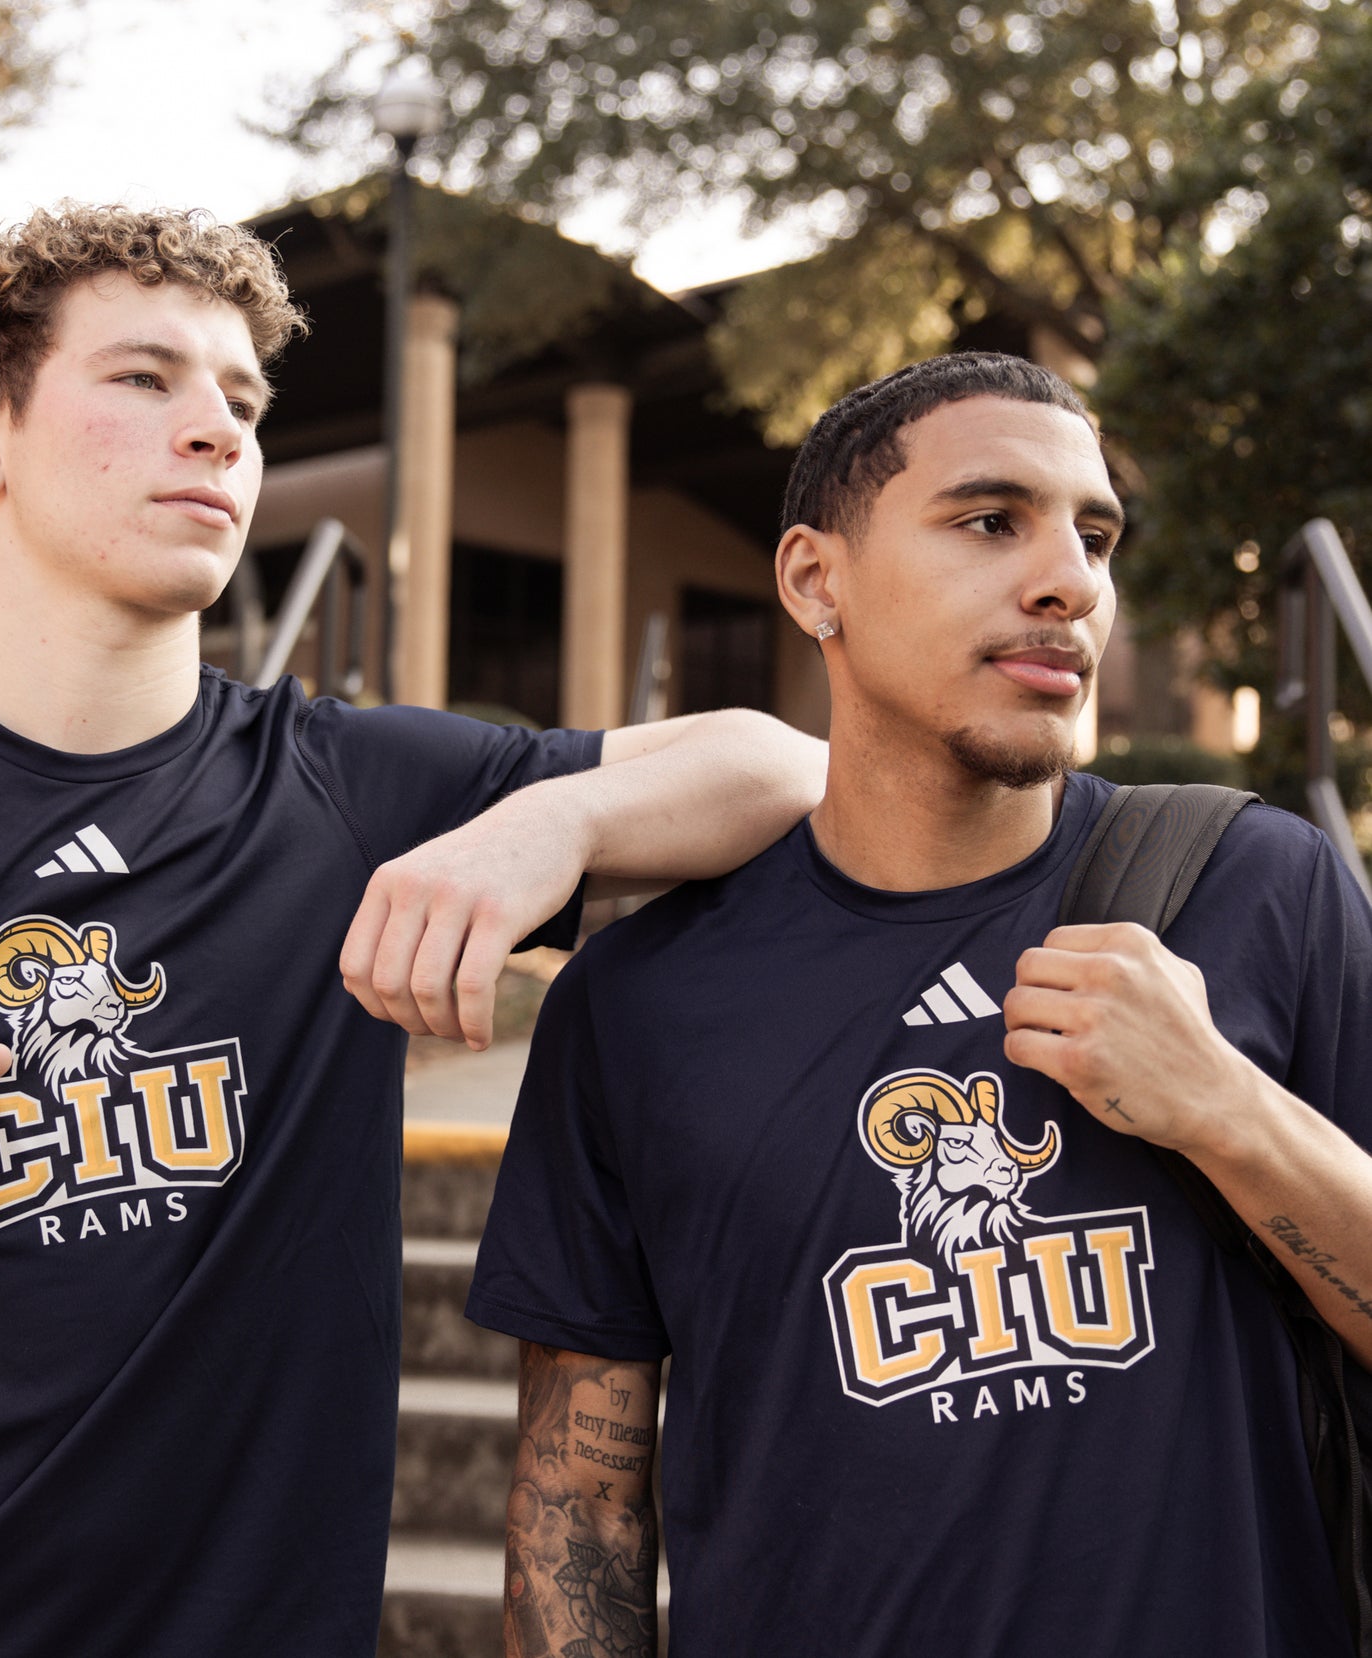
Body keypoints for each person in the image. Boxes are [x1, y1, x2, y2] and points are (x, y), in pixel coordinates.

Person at [0, 203, 829, 1656]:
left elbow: (786, 771)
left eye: (243, 400)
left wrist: (547, 822)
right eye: (145, 379)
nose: (219, 432)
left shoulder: (349, 786)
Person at [468, 352, 1372, 1658]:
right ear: (812, 579)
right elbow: (581, 1513)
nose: (1069, 580)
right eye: (990, 521)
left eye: (1095, 535)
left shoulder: (1258, 886)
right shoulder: (638, 1003)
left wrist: (1225, 1108)